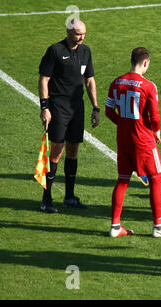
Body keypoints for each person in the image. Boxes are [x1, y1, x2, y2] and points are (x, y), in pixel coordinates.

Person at [105, 47, 161, 238]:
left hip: (123, 140)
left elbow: (108, 111)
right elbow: (154, 116)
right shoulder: (148, 86)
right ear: (146, 63)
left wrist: (123, 124)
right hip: (143, 141)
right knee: (155, 178)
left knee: (122, 180)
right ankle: (158, 227)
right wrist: (155, 132)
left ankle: (115, 226)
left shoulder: (116, 82)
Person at [38, 18, 99, 213]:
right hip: (58, 106)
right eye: (77, 34)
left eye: (83, 35)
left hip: (77, 107)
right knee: (56, 152)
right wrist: (44, 108)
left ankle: (69, 197)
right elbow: (44, 79)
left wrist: (95, 107)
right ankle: (46, 199)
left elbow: (89, 80)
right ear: (68, 32)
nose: (81, 38)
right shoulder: (55, 51)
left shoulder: (85, 51)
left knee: (73, 151)